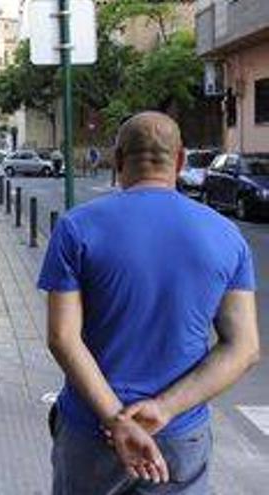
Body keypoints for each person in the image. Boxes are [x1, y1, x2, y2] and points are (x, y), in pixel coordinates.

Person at [38, 112, 259, 494]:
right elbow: (244, 347)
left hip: (91, 433)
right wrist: (165, 408)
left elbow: (62, 338)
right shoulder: (226, 235)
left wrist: (116, 420)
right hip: (177, 435)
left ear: (119, 159)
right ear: (179, 160)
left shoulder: (76, 227)